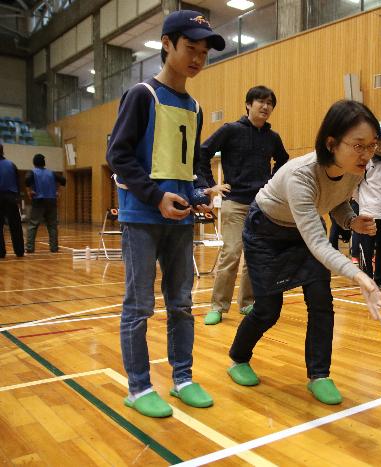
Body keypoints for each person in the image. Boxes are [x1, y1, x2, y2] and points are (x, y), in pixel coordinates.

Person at [226, 100, 381, 405]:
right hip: (265, 232)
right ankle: (238, 357)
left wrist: (351, 220)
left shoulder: (354, 169)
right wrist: (358, 274)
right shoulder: (300, 175)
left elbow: (336, 200)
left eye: (371, 146)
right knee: (267, 310)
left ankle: (320, 374)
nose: (367, 155)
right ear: (331, 143)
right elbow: (318, 244)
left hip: (302, 229)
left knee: (321, 303)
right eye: (358, 146)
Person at [106, 10, 225, 418]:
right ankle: (139, 387)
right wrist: (156, 197)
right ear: (167, 44)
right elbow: (118, 155)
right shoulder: (142, 94)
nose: (197, 58)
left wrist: (197, 193)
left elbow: (189, 163)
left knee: (181, 303)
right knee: (138, 305)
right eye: (190, 48)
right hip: (142, 217)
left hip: (180, 219)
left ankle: (183, 378)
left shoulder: (194, 106)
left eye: (204, 52)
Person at [197, 85, 289, 325]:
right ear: (248, 104)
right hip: (234, 204)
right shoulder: (231, 130)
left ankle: (247, 303)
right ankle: (218, 305)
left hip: (260, 206)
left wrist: (271, 183)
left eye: (270, 103)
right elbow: (202, 152)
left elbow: (283, 160)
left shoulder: (272, 138)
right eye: (261, 101)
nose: (265, 106)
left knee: (254, 257)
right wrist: (210, 185)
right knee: (231, 253)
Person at [356, 127, 381, 292]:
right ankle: (367, 282)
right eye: (379, 140)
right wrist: (363, 205)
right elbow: (354, 186)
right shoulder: (364, 162)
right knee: (366, 248)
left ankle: (380, 280)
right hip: (368, 213)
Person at [24, 153, 66, 253]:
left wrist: (29, 192)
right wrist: (58, 192)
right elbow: (63, 180)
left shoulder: (32, 172)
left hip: (38, 200)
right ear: (44, 163)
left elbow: (26, 180)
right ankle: (54, 247)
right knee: (52, 225)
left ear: (34, 163)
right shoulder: (51, 173)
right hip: (51, 200)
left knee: (33, 225)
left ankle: (30, 247)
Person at [0, 143, 24, 258]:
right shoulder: (11, 164)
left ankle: (1, 252)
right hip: (11, 198)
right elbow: (18, 182)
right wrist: (18, 198)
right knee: (15, 226)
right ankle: (19, 251)